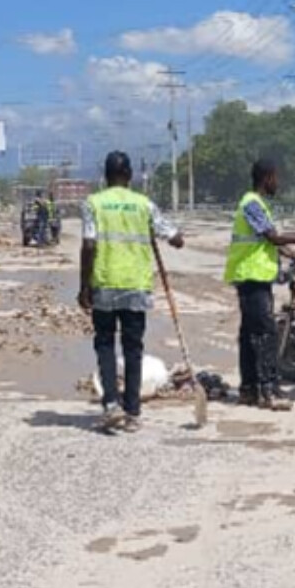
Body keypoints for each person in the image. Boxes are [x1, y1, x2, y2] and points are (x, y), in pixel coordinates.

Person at [78, 152, 183, 433]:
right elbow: (177, 239)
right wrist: (158, 231)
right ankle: (133, 412)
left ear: (105, 174)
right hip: (136, 286)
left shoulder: (93, 203)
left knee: (105, 346)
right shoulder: (143, 204)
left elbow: (88, 246)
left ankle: (112, 403)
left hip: (105, 283)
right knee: (133, 349)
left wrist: (83, 286)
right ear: (130, 174)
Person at [225, 157, 295, 410]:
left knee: (249, 334)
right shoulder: (252, 204)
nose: (278, 182)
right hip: (251, 276)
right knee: (266, 333)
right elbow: (273, 238)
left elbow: (269, 242)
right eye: (276, 177)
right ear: (267, 178)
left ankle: (249, 389)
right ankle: (268, 391)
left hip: (255, 276)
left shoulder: (259, 205)